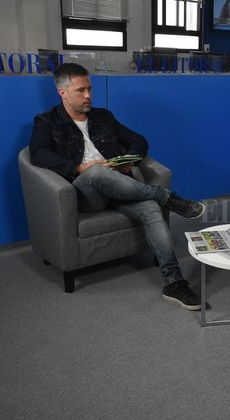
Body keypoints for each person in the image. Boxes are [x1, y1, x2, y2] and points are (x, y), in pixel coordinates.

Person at [29, 63, 205, 311]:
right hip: (87, 193)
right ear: (63, 92)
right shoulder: (47, 122)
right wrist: (79, 167)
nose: (88, 95)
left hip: (121, 187)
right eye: (81, 90)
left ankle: (173, 282)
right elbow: (38, 154)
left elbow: (138, 140)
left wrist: (130, 160)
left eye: (90, 89)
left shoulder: (103, 117)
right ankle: (165, 196)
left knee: (151, 209)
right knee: (96, 171)